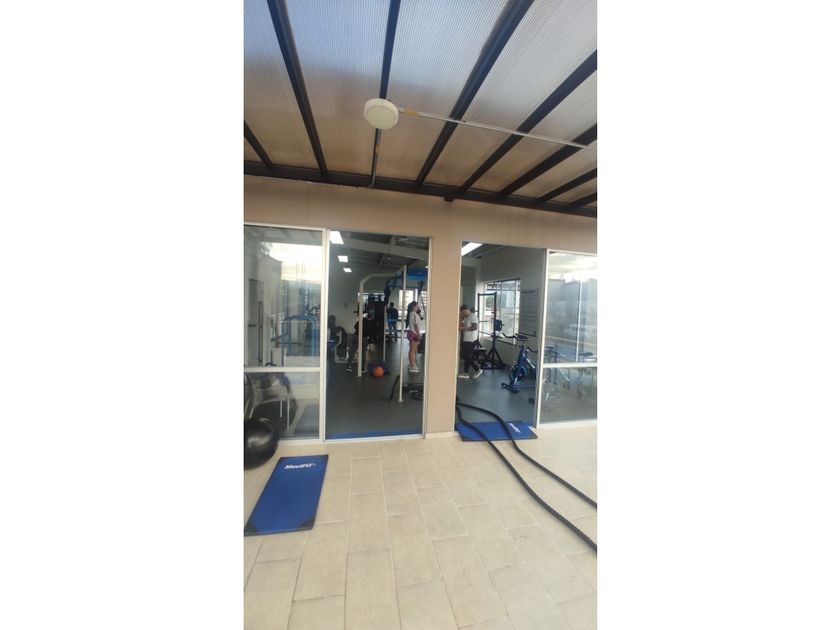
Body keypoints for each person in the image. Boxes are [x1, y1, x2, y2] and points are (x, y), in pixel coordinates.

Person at [458, 304, 482, 379]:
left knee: (466, 356)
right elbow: (462, 324)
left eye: (464, 312)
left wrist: (464, 329)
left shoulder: (473, 316)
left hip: (471, 340)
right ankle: (466, 373)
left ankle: (477, 369)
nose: (464, 313)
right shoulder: (466, 317)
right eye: (462, 312)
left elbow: (475, 327)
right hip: (466, 339)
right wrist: (461, 317)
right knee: (466, 357)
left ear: (467, 310)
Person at [406, 301, 421, 373]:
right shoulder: (413, 314)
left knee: (412, 350)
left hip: (412, 333)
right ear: (414, 306)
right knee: (413, 350)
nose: (418, 307)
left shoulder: (412, 314)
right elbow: (415, 325)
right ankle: (413, 366)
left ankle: (411, 365)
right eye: (417, 306)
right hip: (414, 333)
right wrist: (418, 334)